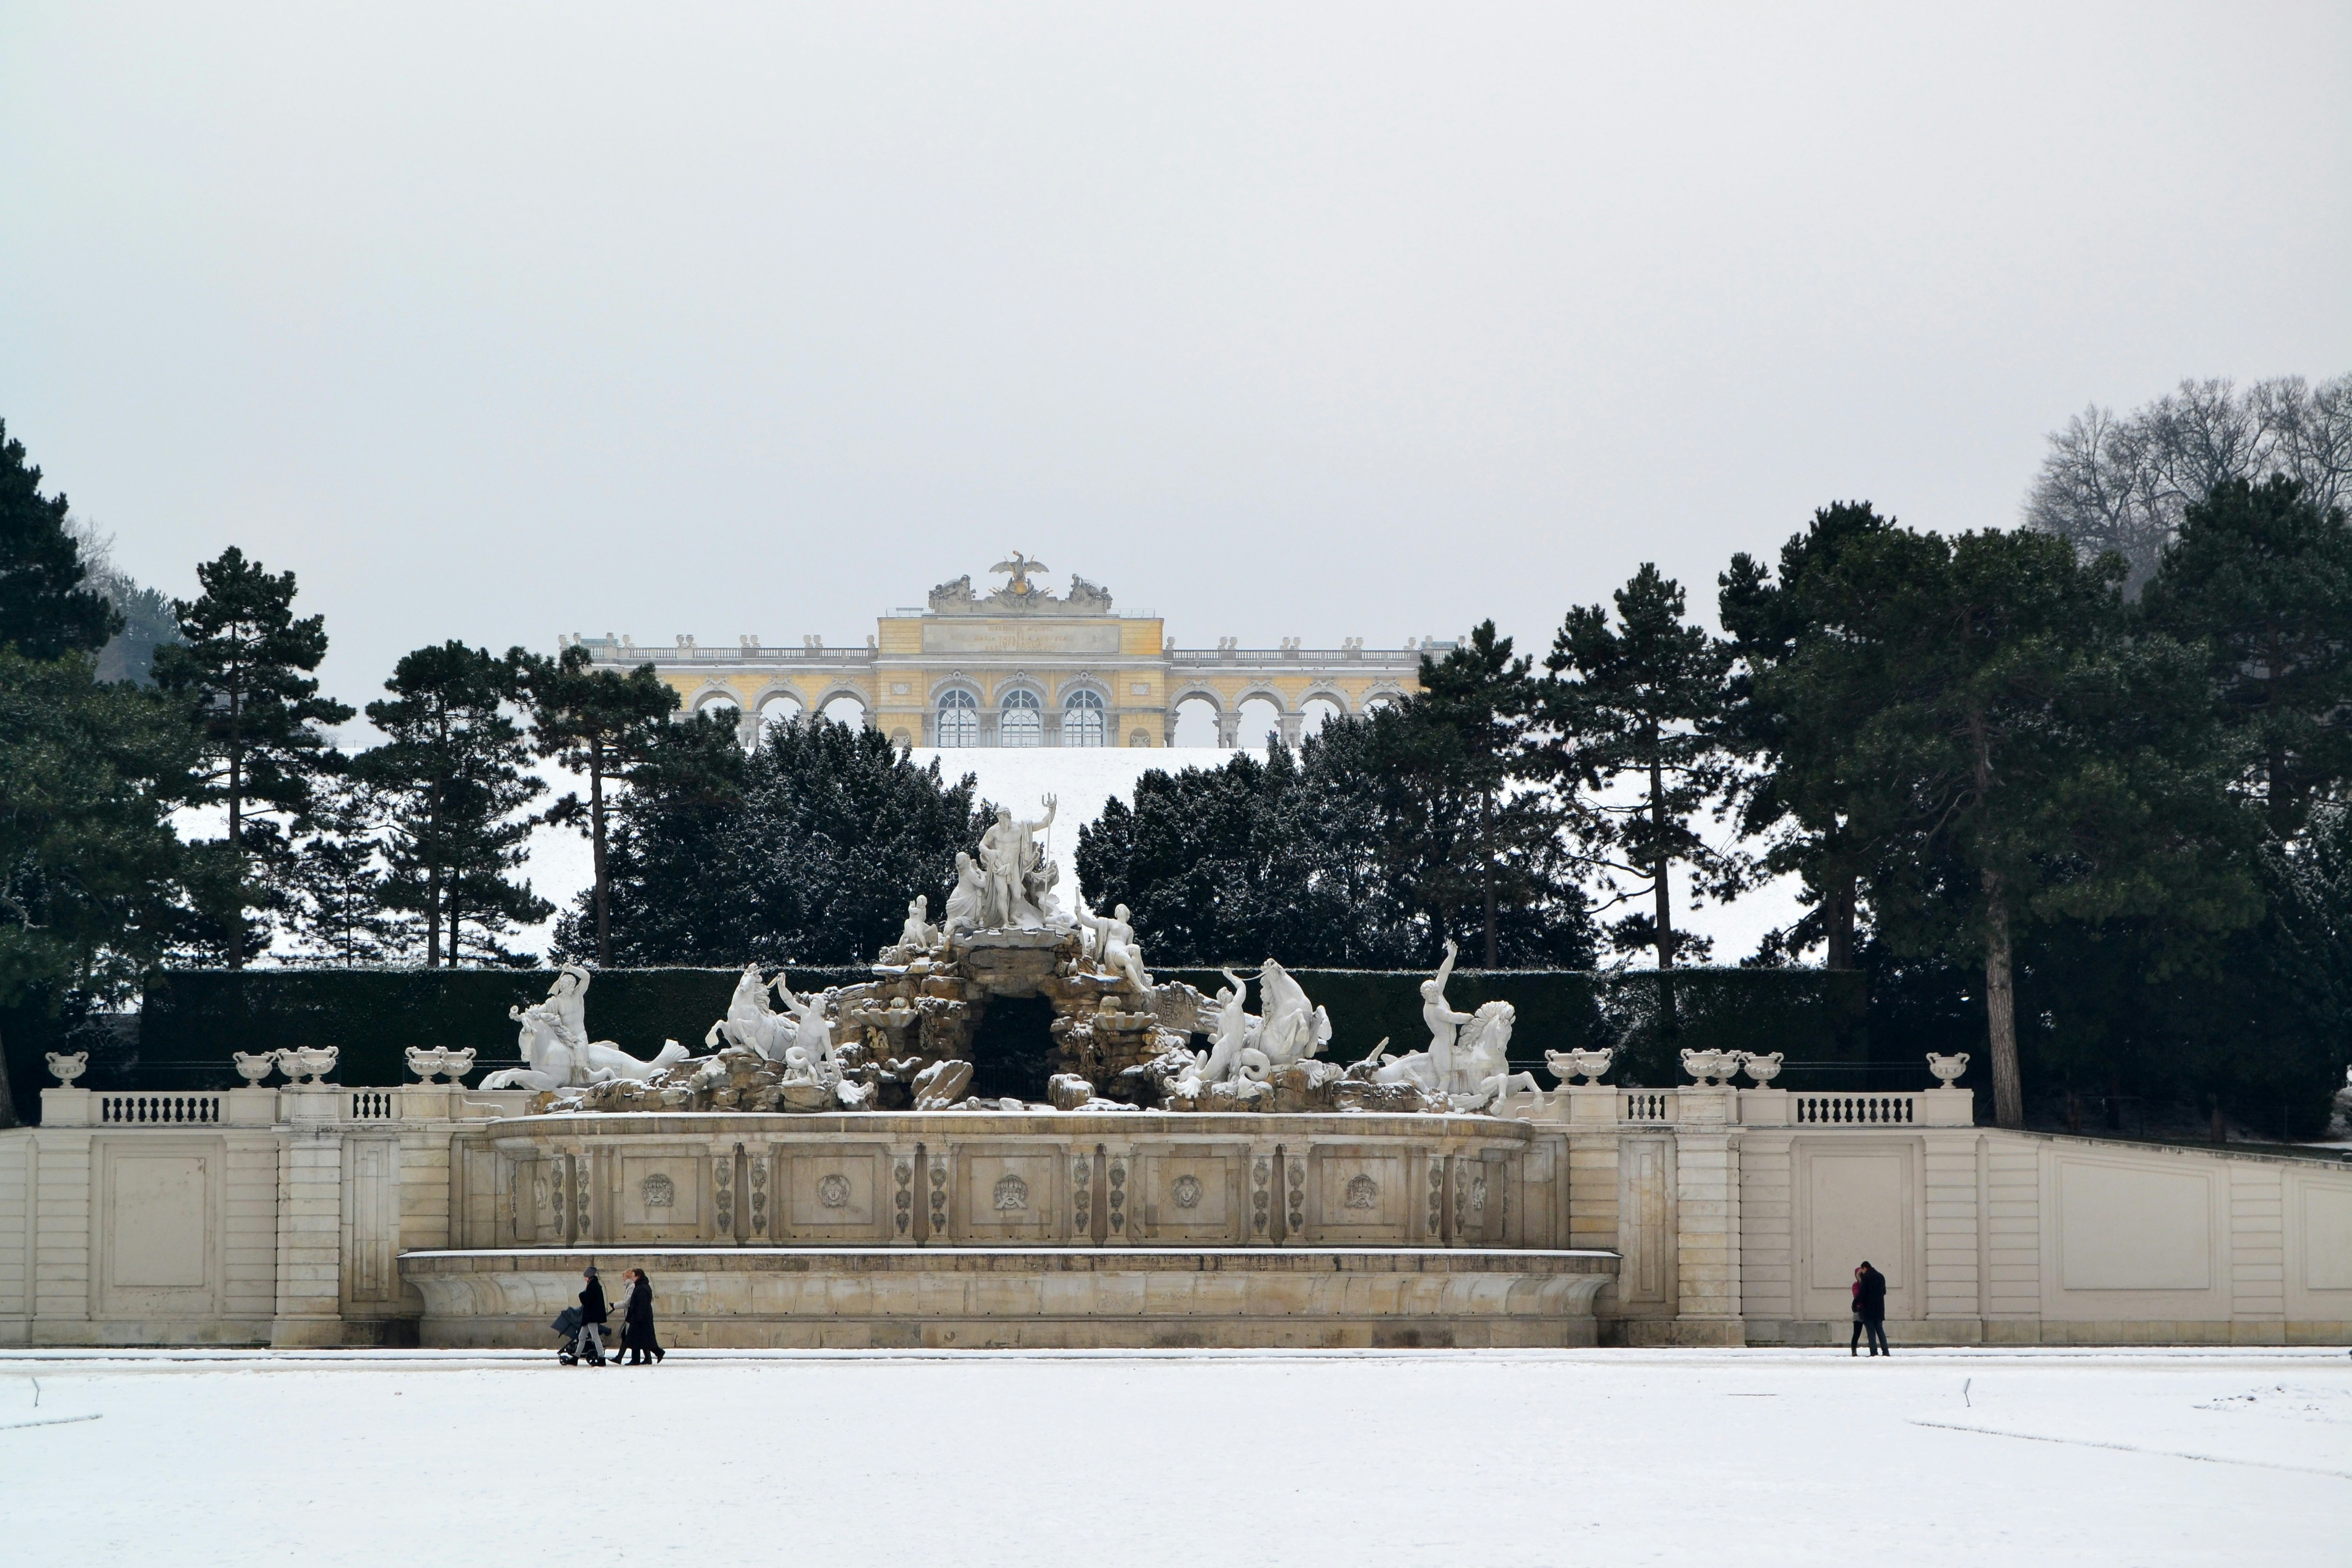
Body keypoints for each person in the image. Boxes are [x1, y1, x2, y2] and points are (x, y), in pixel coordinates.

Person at [620, 1268, 664, 1365]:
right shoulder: (641, 1286)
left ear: (638, 1277)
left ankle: (653, 1354)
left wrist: (637, 1318)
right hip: (640, 1317)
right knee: (639, 1339)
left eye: (633, 1277)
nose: (632, 1279)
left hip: (640, 1318)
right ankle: (653, 1354)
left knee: (638, 1338)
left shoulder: (642, 1288)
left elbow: (641, 1305)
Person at [574, 1264, 610, 1366]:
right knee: (581, 1337)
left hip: (591, 1317)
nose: (584, 1278)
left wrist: (581, 1295)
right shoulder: (593, 1285)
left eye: (585, 1276)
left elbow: (586, 1300)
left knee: (595, 1337)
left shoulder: (593, 1286)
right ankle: (576, 1357)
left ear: (589, 1276)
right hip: (589, 1317)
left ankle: (601, 1357)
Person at [1851, 1261, 1889, 1357]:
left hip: (1868, 1309)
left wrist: (1855, 1303)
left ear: (1865, 1268)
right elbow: (1884, 1292)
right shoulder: (1881, 1276)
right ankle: (1886, 1351)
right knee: (1880, 1330)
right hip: (1880, 1308)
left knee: (1871, 1332)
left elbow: (1862, 1294)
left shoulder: (1866, 1278)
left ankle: (1874, 1352)